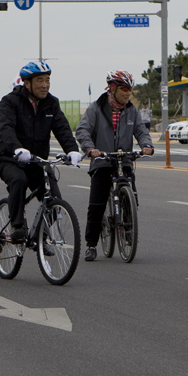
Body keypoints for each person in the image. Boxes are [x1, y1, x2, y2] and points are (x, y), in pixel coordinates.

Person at [0, 62, 82, 242]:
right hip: (10, 159)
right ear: (27, 84)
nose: (45, 85)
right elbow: (7, 129)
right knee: (19, 180)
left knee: (55, 200)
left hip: (37, 161)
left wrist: (72, 150)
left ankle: (41, 237)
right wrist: (17, 148)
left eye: (47, 80)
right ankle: (17, 227)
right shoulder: (9, 102)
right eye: (40, 80)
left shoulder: (51, 103)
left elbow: (62, 128)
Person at [75, 70, 154, 261]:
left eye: (130, 89)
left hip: (124, 159)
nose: (128, 93)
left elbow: (141, 131)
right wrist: (90, 149)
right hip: (102, 160)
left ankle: (128, 229)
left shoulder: (131, 111)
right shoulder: (96, 109)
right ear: (112, 88)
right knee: (96, 204)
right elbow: (82, 130)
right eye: (125, 89)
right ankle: (91, 244)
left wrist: (146, 145)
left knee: (130, 195)